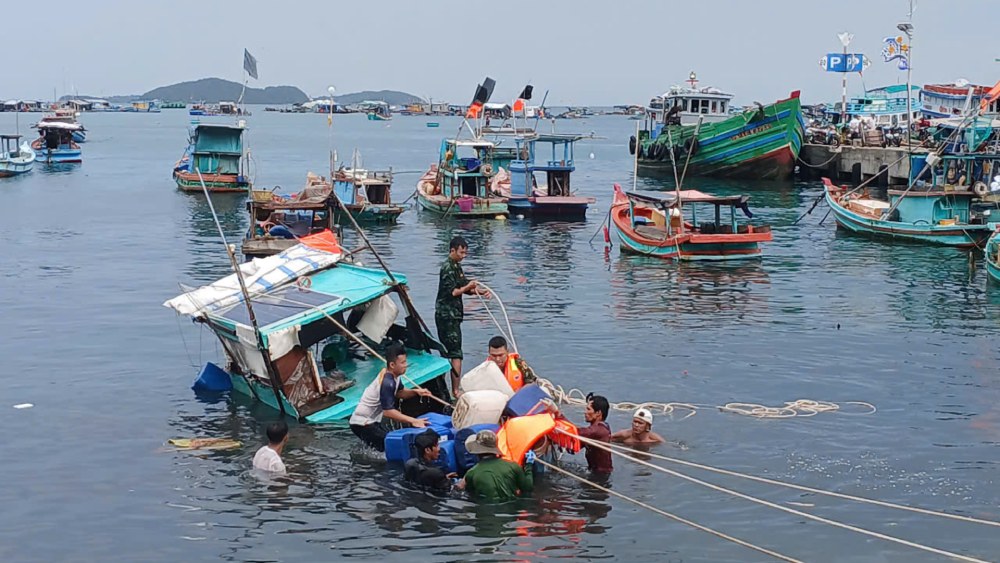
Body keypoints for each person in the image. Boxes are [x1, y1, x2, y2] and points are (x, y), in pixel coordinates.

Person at [349, 342, 433, 451]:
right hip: (362, 423)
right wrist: (413, 420)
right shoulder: (387, 382)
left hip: (373, 420)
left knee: (387, 441)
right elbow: (388, 412)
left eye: (405, 361)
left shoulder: (395, 376)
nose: (405, 365)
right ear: (392, 365)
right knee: (389, 448)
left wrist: (416, 392)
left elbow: (400, 393)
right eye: (402, 362)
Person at [435, 236, 490, 397]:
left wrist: (480, 291)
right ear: (452, 250)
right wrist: (468, 286)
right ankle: (455, 391)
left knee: (452, 352)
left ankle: (450, 388)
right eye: (461, 253)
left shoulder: (457, 267)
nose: (463, 256)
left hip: (454, 316)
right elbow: (454, 292)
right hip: (447, 316)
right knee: (455, 353)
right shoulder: (447, 268)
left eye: (465, 253)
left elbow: (465, 288)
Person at [457, 430, 533, 501]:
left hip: (486, 511)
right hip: (513, 510)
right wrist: (528, 465)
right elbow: (528, 487)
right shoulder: (514, 466)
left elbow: (469, 493)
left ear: (477, 451)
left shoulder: (471, 473)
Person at [575, 393, 613, 475]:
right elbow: (575, 445)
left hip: (600, 476)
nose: (585, 412)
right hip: (593, 471)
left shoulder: (599, 430)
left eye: (588, 409)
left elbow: (576, 432)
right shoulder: (595, 431)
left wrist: (558, 414)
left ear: (598, 413)